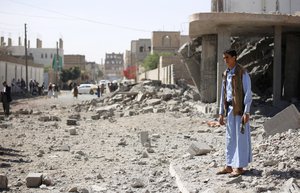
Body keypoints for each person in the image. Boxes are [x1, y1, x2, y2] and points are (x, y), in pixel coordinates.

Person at [217, 49, 252, 177]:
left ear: (234, 57)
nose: (225, 60)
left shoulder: (242, 72)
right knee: (230, 138)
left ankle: (240, 167)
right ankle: (229, 165)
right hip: (230, 110)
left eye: (227, 57)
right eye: (224, 58)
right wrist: (221, 113)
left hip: (240, 111)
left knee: (241, 139)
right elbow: (223, 94)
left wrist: (247, 112)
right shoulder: (226, 73)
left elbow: (248, 92)